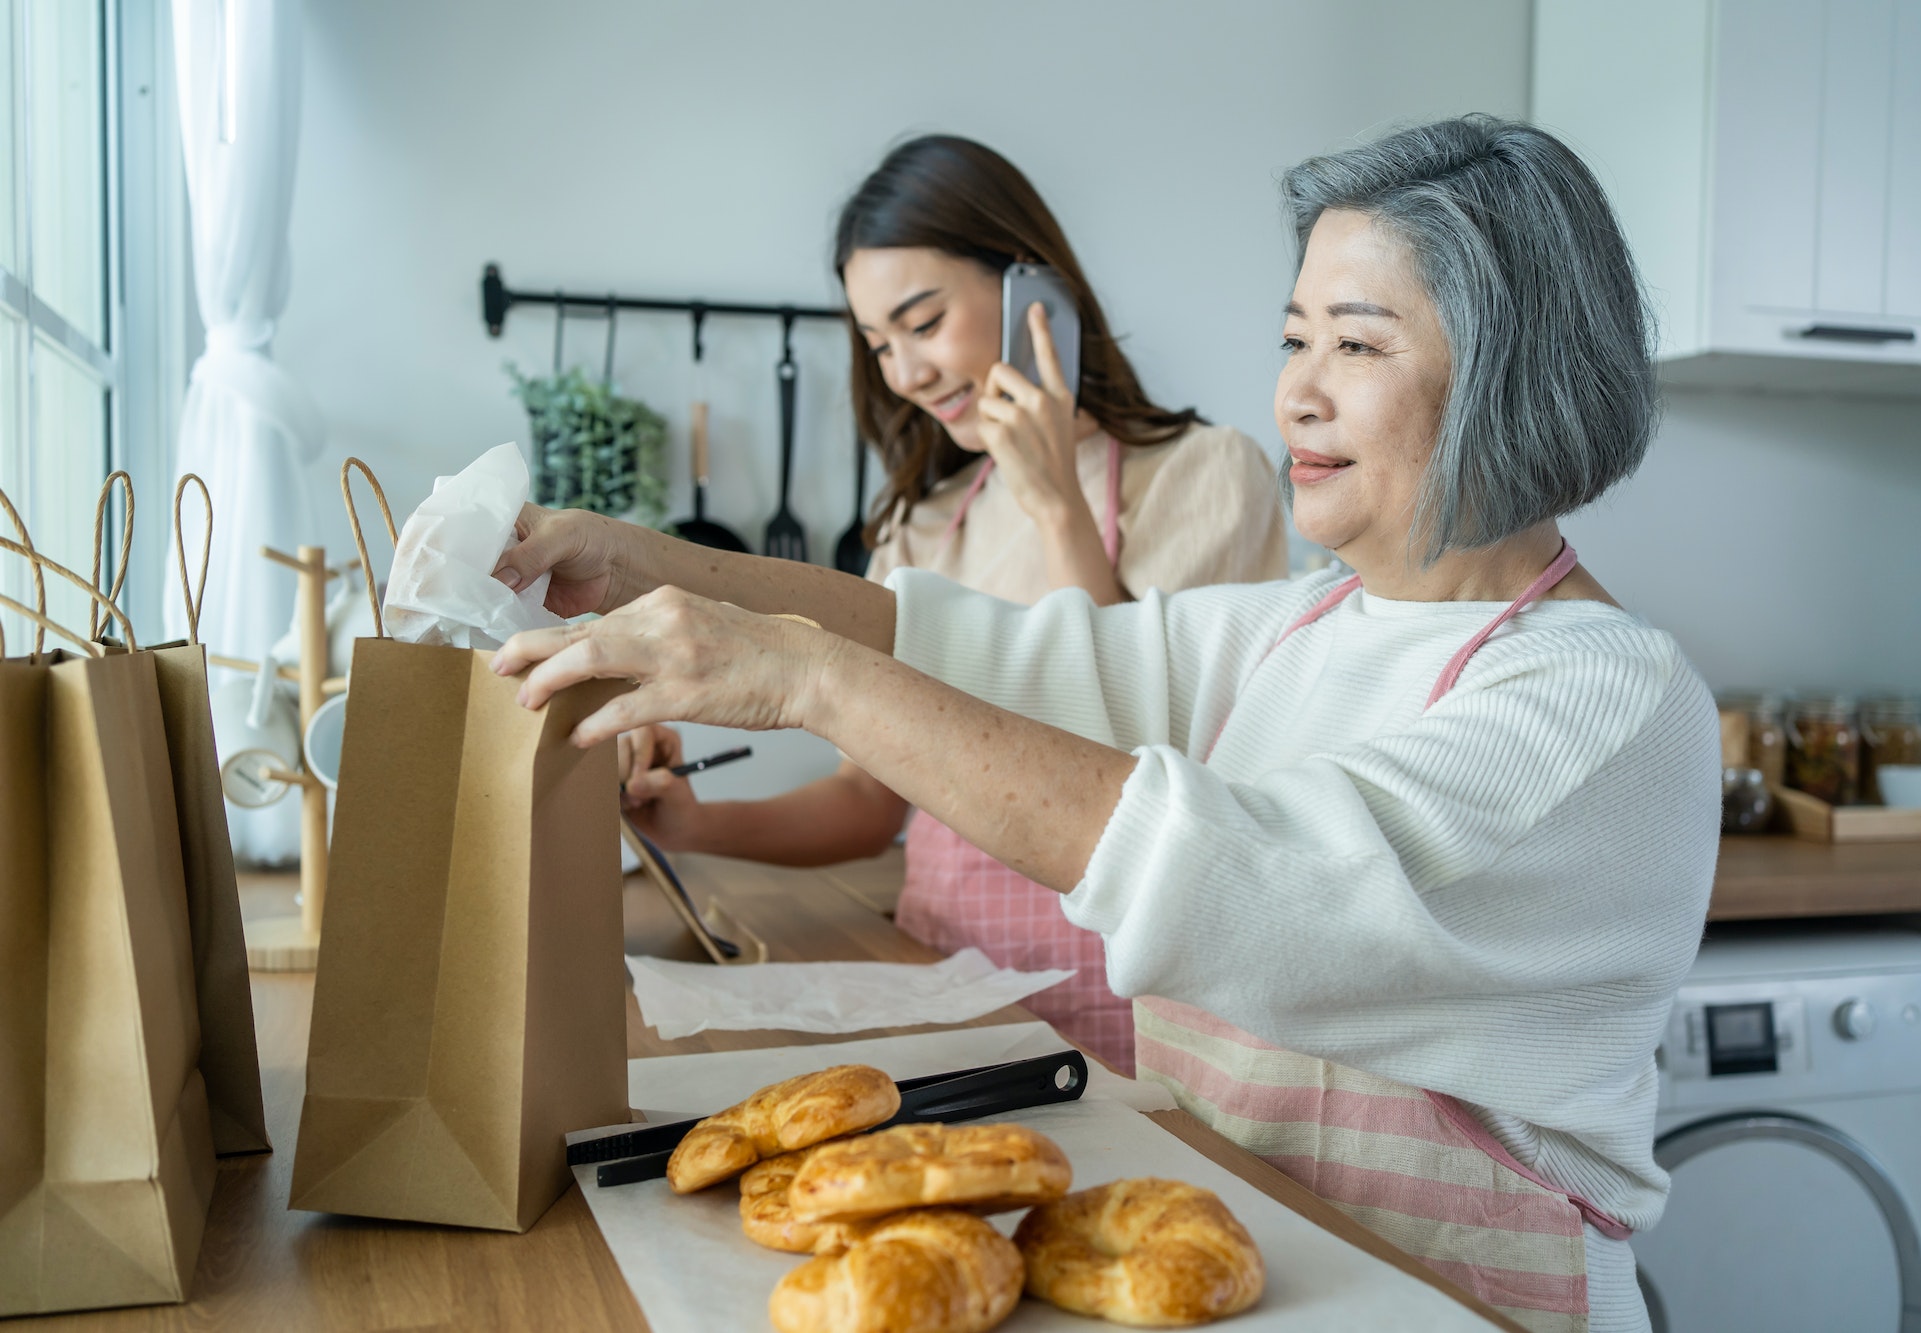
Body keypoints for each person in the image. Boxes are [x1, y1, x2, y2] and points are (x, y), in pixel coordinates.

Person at [493, 116, 1716, 1331]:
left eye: (1354, 343)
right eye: (1293, 338)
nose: (1294, 389)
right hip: (1264, 1268)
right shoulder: (1300, 626)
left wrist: (807, 678)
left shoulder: (1605, 696)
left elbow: (1247, 887)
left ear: (1509, 370)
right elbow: (984, 653)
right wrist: (644, 564)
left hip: (1458, 1303)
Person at [618, 135, 1287, 1075]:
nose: (904, 373)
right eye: (879, 343)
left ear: (1031, 295)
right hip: (940, 978)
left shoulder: (1209, 476)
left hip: (1125, 1000)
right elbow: (867, 798)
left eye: (922, 322)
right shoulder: (924, 522)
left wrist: (1057, 504)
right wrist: (691, 825)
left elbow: (1142, 764)